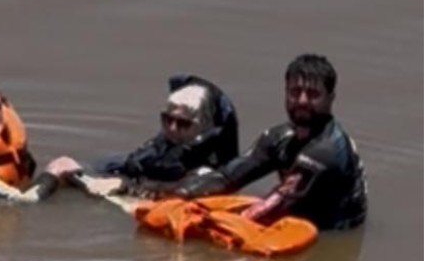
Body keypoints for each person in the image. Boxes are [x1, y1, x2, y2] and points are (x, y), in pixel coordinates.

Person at [170, 54, 367, 230]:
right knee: (200, 174)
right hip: (292, 210)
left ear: (330, 99)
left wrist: (206, 223)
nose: (302, 100)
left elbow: (270, 209)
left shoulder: (328, 148)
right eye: (295, 92)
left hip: (332, 231)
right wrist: (177, 194)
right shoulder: (279, 138)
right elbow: (228, 178)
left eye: (313, 94)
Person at [62, 74, 240, 198]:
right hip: (130, 179)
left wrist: (124, 187)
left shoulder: (208, 169)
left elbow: (183, 189)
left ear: (203, 125)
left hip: (164, 198)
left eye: (183, 123)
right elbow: (135, 165)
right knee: (66, 166)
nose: (172, 127)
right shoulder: (162, 145)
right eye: (167, 119)